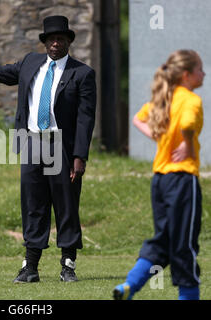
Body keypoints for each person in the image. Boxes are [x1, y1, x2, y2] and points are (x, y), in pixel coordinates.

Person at [0, 16, 96, 282]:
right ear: (45, 43)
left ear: (69, 42)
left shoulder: (81, 73)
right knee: (33, 205)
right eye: (50, 39)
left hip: (62, 147)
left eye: (60, 39)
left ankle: (68, 265)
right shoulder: (29, 63)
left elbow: (85, 118)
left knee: (66, 205)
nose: (55, 43)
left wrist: (79, 156)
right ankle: (30, 266)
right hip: (32, 143)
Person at [113, 49, 205, 300]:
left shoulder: (165, 98)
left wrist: (157, 136)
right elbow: (187, 124)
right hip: (182, 180)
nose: (204, 73)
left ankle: (129, 286)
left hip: (160, 181)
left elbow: (137, 119)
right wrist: (187, 144)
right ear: (186, 75)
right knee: (184, 244)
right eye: (200, 69)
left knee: (164, 240)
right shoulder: (190, 100)